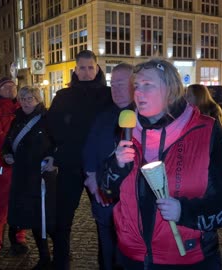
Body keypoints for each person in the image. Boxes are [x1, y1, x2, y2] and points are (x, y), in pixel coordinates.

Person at [101, 58, 222, 269]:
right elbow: (106, 190)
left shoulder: (206, 132)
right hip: (130, 258)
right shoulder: (126, 129)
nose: (138, 92)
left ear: (170, 90)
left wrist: (186, 212)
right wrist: (116, 166)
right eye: (136, 86)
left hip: (188, 260)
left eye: (148, 85)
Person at [46, 49, 113, 270]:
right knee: (63, 219)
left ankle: (107, 263)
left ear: (97, 68)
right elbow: (52, 126)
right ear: (75, 69)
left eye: (90, 67)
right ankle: (61, 262)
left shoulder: (108, 95)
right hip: (70, 164)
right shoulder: (63, 96)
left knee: (105, 219)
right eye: (82, 68)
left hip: (100, 168)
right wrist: (63, 148)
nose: (86, 72)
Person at [83, 63, 134, 270]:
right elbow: (88, 149)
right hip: (105, 202)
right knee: (107, 252)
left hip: (134, 204)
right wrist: (92, 179)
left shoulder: (146, 116)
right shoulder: (103, 116)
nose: (116, 89)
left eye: (121, 84)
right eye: (113, 84)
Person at [2, 86, 57, 270]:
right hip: (23, 177)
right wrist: (7, 154)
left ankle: (60, 253)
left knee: (48, 220)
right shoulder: (16, 120)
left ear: (38, 100)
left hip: (42, 178)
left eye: (30, 98)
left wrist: (53, 158)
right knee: (34, 219)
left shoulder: (47, 119)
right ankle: (44, 258)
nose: (26, 102)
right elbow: (7, 143)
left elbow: (59, 142)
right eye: (23, 98)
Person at [0, 77, 27, 264]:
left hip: (23, 162)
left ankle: (19, 238)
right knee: (2, 205)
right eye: (6, 87)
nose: (10, 89)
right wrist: (13, 148)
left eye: (13, 86)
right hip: (7, 163)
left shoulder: (22, 107)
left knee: (21, 201)